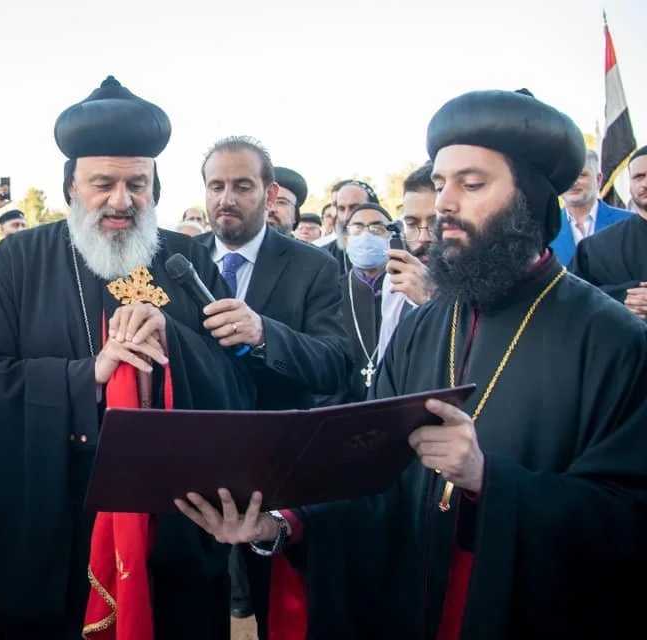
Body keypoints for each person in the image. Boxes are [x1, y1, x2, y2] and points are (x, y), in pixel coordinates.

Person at [177, 89, 647, 638]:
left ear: (529, 198)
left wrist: (487, 481)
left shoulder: (614, 339)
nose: (445, 203)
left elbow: (628, 519)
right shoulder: (429, 324)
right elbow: (372, 473)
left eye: (471, 185)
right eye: (441, 184)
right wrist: (284, 523)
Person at [0, 75, 254, 640]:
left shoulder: (185, 260)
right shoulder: (19, 260)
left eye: (137, 184)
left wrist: (175, 343)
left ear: (155, 187)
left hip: (170, 522)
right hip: (56, 518)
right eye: (103, 184)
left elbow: (236, 384)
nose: (122, 201)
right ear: (71, 186)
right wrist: (85, 376)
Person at [197, 135, 350, 638]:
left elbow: (334, 365)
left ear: (270, 191)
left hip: (278, 472)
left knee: (276, 612)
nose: (227, 198)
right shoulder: (178, 260)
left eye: (242, 185)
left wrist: (265, 334)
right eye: (216, 186)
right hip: (192, 468)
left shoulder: (314, 268)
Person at [570, 145, 647, 318]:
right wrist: (622, 297)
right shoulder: (594, 248)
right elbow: (571, 297)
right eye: (639, 177)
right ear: (630, 185)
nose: (645, 183)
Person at [378, 162, 437, 357]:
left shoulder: (481, 287)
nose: (423, 238)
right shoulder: (394, 282)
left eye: (435, 223)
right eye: (412, 224)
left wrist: (430, 302)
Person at [338, 203, 392, 399]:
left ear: (391, 236)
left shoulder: (405, 291)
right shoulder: (331, 291)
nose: (366, 235)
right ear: (346, 238)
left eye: (377, 228)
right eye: (357, 228)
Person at [550, 149, 630, 265]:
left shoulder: (628, 223)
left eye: (581, 175)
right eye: (567, 176)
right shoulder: (546, 230)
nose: (573, 182)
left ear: (598, 179)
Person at [320, 180, 379, 272]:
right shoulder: (323, 256)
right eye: (341, 209)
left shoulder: (396, 249)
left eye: (354, 208)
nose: (346, 217)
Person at [267, 166, 307, 236]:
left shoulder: (305, 247)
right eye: (265, 201)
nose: (271, 209)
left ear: (295, 215)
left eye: (281, 202)